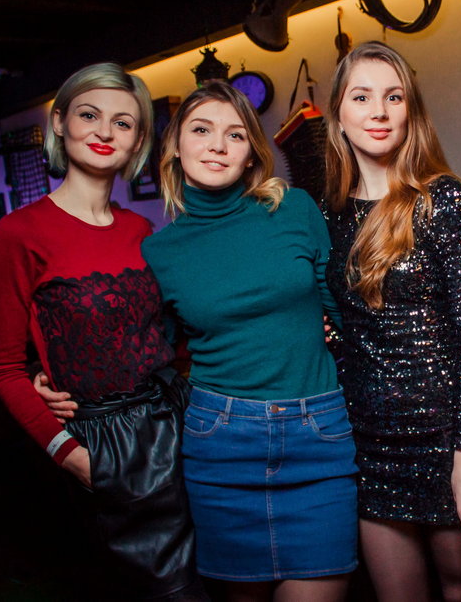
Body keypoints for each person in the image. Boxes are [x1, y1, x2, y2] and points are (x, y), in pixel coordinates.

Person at [0, 62, 201, 599]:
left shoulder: (141, 229)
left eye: (123, 123)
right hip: (104, 444)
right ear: (60, 123)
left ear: (138, 142)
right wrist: (69, 452)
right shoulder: (19, 232)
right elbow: (4, 367)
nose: (105, 132)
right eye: (89, 115)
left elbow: (167, 338)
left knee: (217, 580)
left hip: (179, 423)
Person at [141, 80, 357, 602]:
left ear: (251, 153)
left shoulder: (295, 209)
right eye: (201, 130)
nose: (218, 145)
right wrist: (49, 375)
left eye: (235, 135)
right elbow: (148, 355)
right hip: (221, 444)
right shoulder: (158, 252)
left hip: (318, 436)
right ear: (174, 147)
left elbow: (346, 317)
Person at [321, 41, 461, 602]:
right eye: (361, 97)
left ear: (410, 111)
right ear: (338, 115)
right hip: (367, 444)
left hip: (444, 441)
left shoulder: (444, 201)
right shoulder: (328, 214)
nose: (378, 111)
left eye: (393, 97)